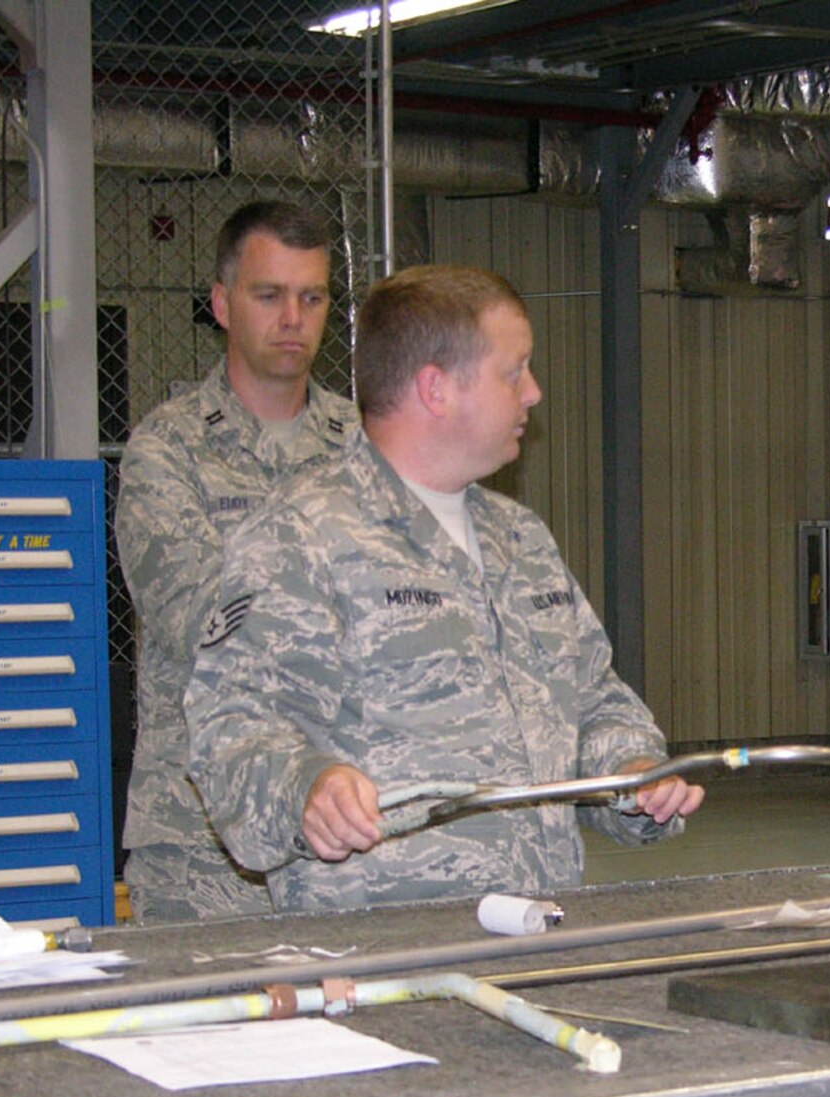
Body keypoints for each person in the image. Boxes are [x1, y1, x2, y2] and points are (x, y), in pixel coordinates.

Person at [184, 264, 702, 913]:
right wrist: (306, 789)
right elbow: (232, 730)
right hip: (385, 946)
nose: (534, 392)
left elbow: (595, 701)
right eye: (513, 372)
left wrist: (632, 776)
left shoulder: (521, 540)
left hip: (532, 927)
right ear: (436, 389)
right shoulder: (303, 541)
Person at [114, 201, 359, 922]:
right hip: (205, 844)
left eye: (312, 297)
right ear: (222, 304)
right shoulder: (167, 452)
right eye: (269, 295)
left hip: (343, 826)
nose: (293, 317)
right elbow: (204, 623)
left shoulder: (367, 449)